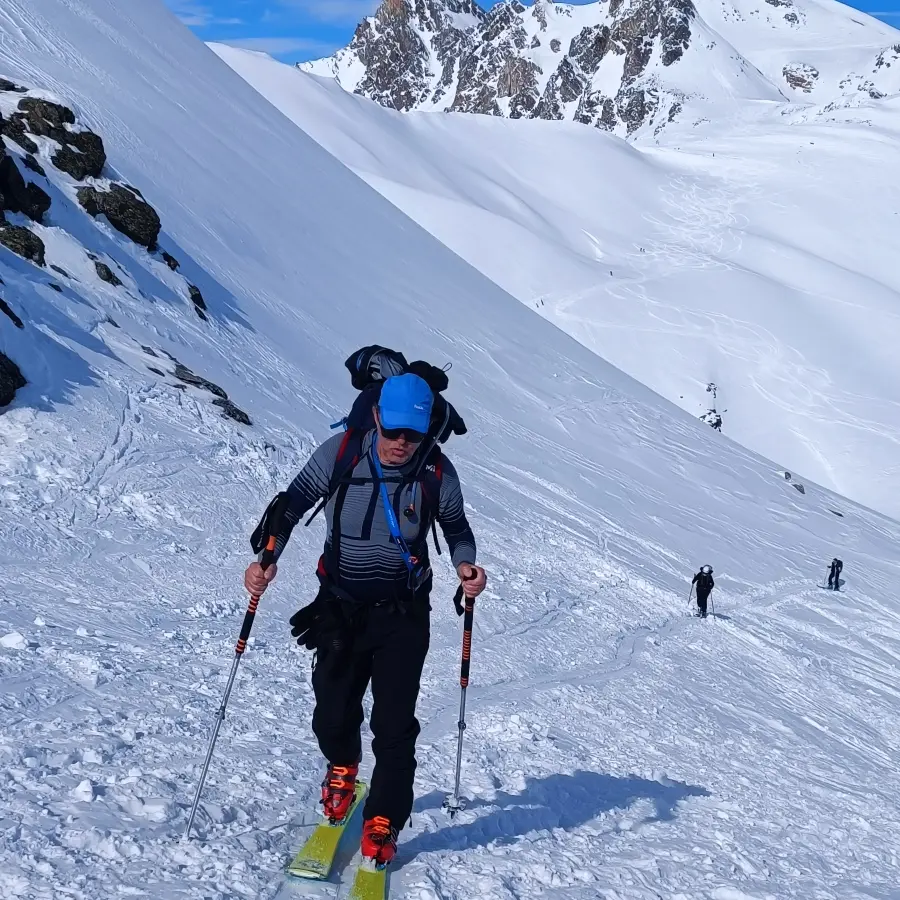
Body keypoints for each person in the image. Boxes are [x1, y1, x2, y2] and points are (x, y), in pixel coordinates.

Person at [244, 373, 486, 867]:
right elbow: (291, 504)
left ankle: (385, 815)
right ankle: (343, 765)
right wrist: (268, 557)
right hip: (338, 606)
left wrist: (467, 566)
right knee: (333, 713)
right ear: (376, 416)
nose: (401, 443)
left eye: (412, 435)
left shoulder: (436, 472)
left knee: (394, 722)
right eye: (394, 430)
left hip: (403, 612)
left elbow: (458, 528)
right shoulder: (342, 452)